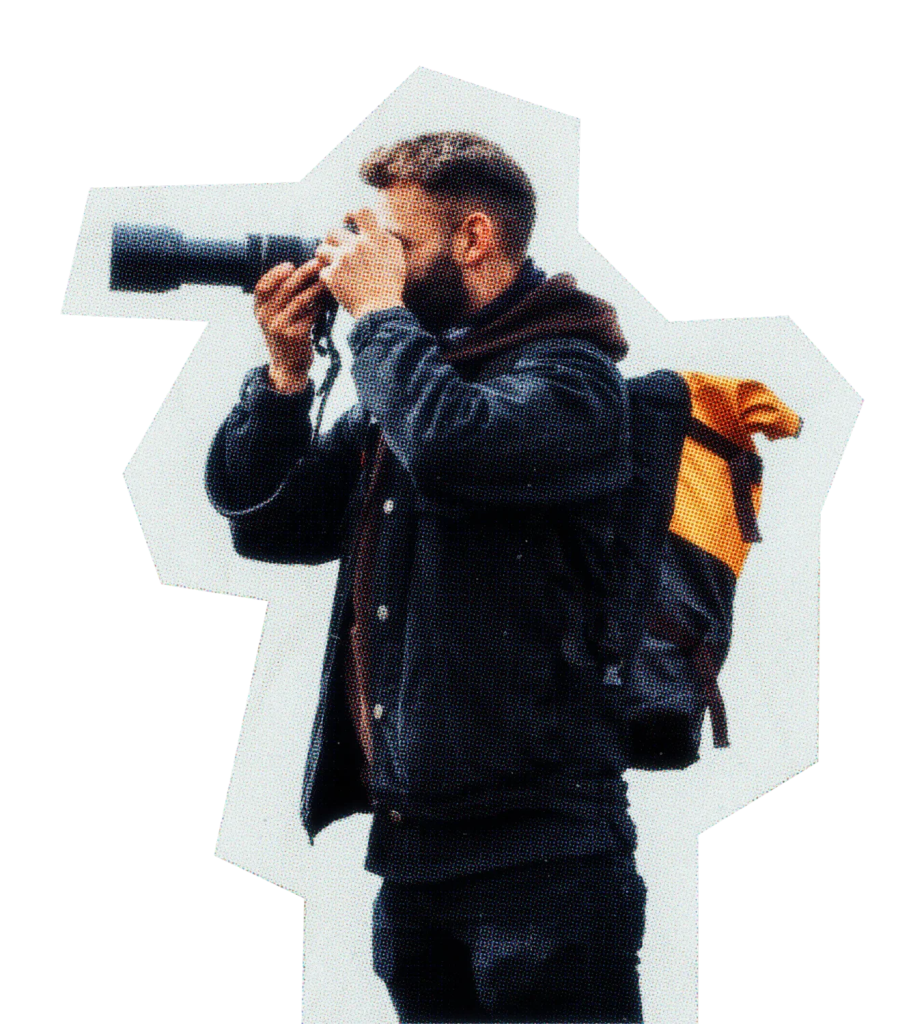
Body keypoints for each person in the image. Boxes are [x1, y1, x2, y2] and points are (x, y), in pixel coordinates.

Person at [206, 132, 648, 1023]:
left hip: (547, 863)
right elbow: (272, 526)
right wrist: (285, 383)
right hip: (416, 864)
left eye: (395, 247)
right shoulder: (408, 386)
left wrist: (376, 318)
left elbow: (455, 446)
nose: (372, 267)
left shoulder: (574, 378)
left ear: (474, 237)